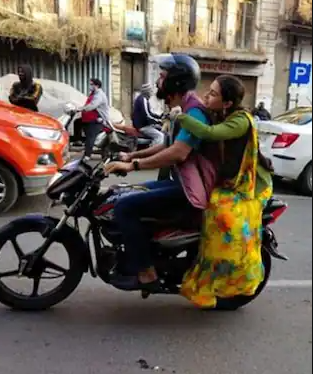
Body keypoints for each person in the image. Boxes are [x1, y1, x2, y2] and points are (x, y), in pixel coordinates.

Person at [104, 54, 217, 291]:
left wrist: (133, 166)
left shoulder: (194, 112)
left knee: (124, 207)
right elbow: (166, 144)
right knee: (124, 193)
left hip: (189, 191)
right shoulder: (184, 107)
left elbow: (177, 153)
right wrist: (131, 156)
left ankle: (147, 273)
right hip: (181, 183)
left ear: (176, 81)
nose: (158, 82)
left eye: (162, 77)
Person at [177, 75, 274, 308]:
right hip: (227, 183)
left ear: (228, 102)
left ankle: (225, 276)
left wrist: (180, 117)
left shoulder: (240, 119)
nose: (207, 96)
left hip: (245, 188)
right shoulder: (221, 114)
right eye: (208, 91)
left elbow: (211, 134)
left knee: (222, 219)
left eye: (213, 93)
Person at [80, 78, 110, 161]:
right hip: (88, 119)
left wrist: (81, 109)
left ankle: (87, 155)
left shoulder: (99, 95)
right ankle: (82, 146)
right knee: (78, 124)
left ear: (96, 85)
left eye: (91, 84)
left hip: (96, 120)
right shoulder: (93, 93)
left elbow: (93, 105)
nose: (90, 86)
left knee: (90, 137)